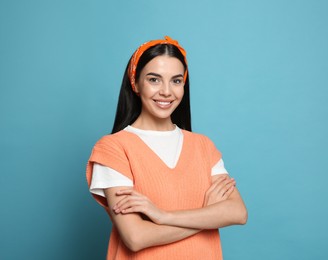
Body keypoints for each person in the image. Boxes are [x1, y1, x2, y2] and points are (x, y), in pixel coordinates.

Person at [86, 36, 247, 260]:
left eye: (176, 81)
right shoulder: (113, 148)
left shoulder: (203, 146)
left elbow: (237, 213)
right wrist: (206, 216)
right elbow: (136, 237)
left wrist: (162, 216)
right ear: (135, 83)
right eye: (154, 80)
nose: (166, 91)